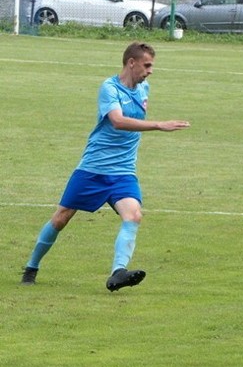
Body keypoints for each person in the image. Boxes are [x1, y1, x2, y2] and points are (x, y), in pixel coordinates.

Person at [21, 42, 191, 291]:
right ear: (131, 63)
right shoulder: (109, 88)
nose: (150, 71)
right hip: (94, 168)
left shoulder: (144, 88)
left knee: (133, 215)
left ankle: (118, 273)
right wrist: (158, 125)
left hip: (123, 172)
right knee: (61, 218)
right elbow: (118, 122)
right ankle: (31, 267)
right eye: (147, 65)